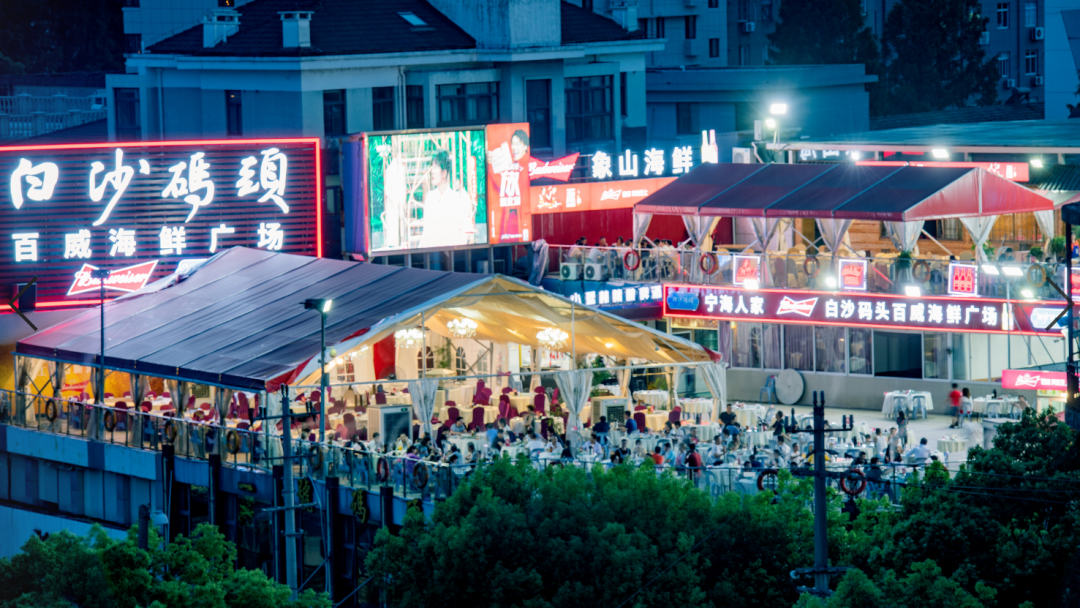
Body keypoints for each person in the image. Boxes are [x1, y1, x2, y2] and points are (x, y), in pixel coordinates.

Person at [419, 149, 476, 249]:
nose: (432, 171)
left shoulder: (456, 199)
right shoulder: (430, 198)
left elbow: (461, 236)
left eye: (435, 167)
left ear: (444, 173)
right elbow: (426, 233)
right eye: (432, 167)